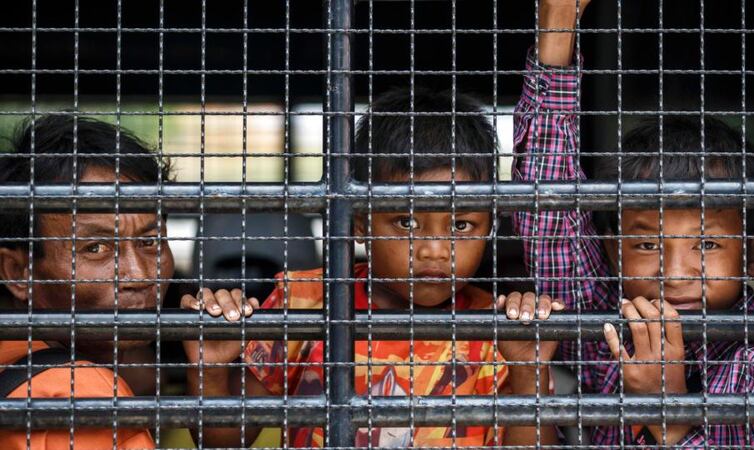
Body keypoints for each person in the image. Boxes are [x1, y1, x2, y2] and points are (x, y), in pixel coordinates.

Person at [181, 87, 561, 448]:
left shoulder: (499, 329)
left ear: (490, 225)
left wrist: (529, 370)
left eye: (460, 226)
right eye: (406, 223)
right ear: (360, 220)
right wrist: (210, 371)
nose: (433, 250)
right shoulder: (306, 303)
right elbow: (224, 441)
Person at [515, 0, 754, 446]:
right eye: (647, 246)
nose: (674, 273)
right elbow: (548, 209)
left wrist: (667, 412)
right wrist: (558, 18)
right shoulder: (609, 341)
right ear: (612, 251)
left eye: (706, 245)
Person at [0, 115, 175, 449]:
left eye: (150, 241)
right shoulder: (79, 390)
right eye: (95, 248)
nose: (139, 275)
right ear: (17, 271)